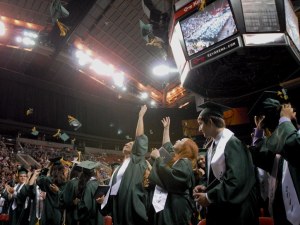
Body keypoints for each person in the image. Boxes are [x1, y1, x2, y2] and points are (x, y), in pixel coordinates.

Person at [194, 101, 259, 225]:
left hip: (236, 213)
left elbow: (236, 181)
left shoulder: (233, 144)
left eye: (201, 123)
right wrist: (204, 186)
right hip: (220, 209)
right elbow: (213, 177)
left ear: (211, 122)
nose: (199, 128)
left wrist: (209, 197)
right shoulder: (212, 146)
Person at [249, 90, 300, 225]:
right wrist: (259, 130)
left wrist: (285, 119)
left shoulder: (292, 141)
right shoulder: (283, 145)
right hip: (282, 215)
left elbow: (294, 147)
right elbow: (261, 157)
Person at [99, 105, 149, 225]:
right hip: (118, 205)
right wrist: (105, 200)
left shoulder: (136, 160)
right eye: (127, 142)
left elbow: (139, 137)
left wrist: (140, 116)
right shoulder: (118, 168)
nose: (127, 143)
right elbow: (114, 188)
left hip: (131, 206)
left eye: (131, 143)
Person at [149, 116, 198, 225]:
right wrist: (166, 129)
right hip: (171, 203)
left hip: (176, 207)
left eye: (181, 140)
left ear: (186, 148)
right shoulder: (178, 161)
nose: (177, 140)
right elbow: (167, 147)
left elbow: (173, 178)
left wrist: (157, 158)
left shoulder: (185, 162)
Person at [36, 157, 68, 225]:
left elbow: (39, 179)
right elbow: (65, 199)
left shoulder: (47, 180)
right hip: (58, 213)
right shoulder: (65, 183)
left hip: (47, 211)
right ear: (62, 170)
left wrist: (47, 167)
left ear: (52, 169)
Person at [75, 160, 104, 225]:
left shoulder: (89, 186)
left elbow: (86, 207)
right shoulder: (97, 184)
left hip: (89, 221)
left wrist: (78, 203)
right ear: (95, 172)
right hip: (98, 219)